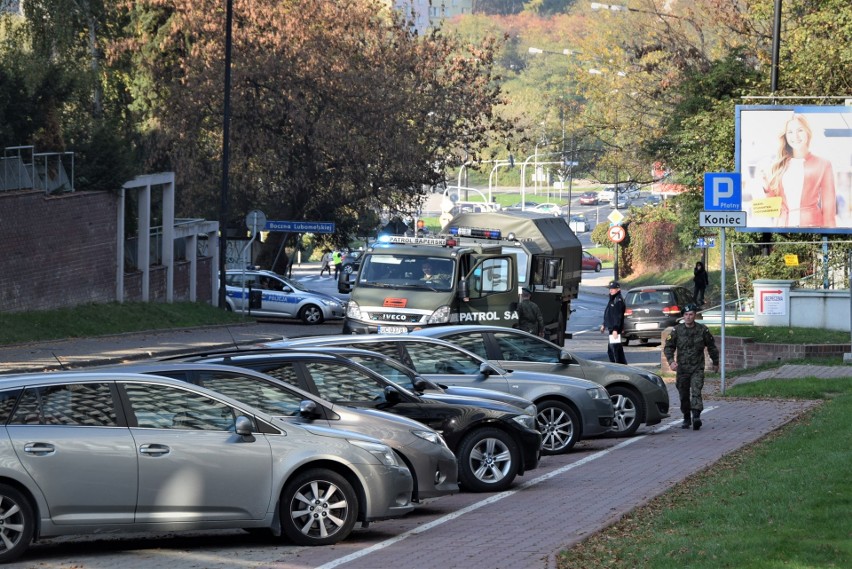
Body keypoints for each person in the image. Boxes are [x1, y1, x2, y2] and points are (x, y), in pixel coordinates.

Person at [760, 114, 836, 228]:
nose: (795, 136)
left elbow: (829, 211)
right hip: (782, 228)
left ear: (807, 132)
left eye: (800, 130)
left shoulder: (823, 164)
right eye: (790, 132)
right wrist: (766, 187)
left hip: (812, 228)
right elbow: (773, 208)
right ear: (785, 136)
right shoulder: (779, 165)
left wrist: (830, 237)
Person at [663, 303, 720, 431]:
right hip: (682, 369)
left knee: (696, 391)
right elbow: (668, 347)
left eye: (691, 315)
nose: (688, 317)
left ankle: (696, 416)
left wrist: (715, 362)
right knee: (683, 394)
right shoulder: (677, 330)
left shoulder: (702, 330)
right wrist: (671, 362)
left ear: (695, 316)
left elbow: (711, 346)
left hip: (697, 367)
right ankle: (686, 417)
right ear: (683, 316)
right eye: (686, 315)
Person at [600, 280, 627, 365]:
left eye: (613, 289)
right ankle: (622, 365)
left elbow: (618, 316)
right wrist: (604, 324)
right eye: (610, 289)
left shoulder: (618, 301)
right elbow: (609, 313)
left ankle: (617, 366)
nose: (611, 290)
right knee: (616, 349)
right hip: (612, 328)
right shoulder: (612, 299)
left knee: (613, 350)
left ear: (618, 289)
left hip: (615, 330)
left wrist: (615, 329)